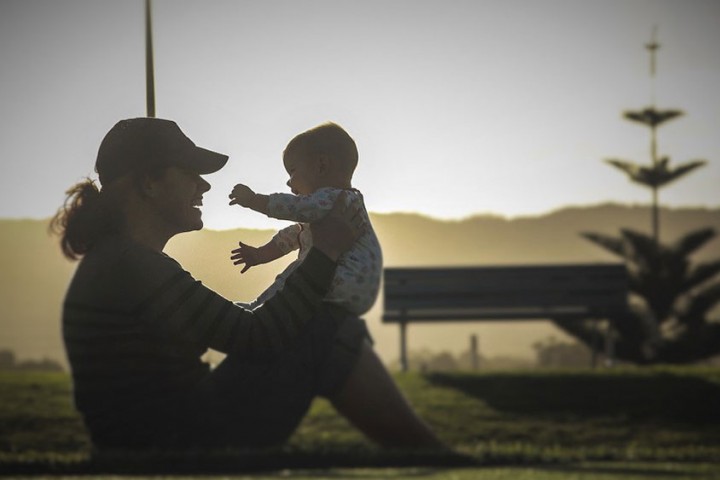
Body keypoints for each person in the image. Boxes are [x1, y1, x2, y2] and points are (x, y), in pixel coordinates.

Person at [51, 117, 444, 451]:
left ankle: (429, 455)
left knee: (323, 323)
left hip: (163, 434)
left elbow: (236, 328)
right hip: (178, 441)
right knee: (328, 325)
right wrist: (324, 253)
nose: (203, 187)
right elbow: (257, 336)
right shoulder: (131, 267)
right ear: (149, 183)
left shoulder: (121, 262)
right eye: (191, 174)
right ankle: (434, 458)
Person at [228, 122, 382, 316]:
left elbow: (295, 208)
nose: (288, 181)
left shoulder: (335, 198)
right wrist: (260, 255)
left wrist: (254, 200)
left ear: (321, 166)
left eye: (292, 171)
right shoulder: (338, 206)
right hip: (357, 291)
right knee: (297, 274)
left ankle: (259, 310)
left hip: (341, 280)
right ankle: (258, 308)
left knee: (294, 277)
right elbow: (294, 236)